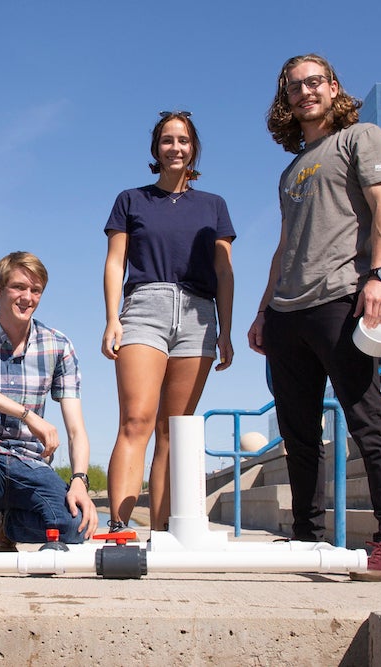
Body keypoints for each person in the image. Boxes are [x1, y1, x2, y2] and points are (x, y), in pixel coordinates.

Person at [246, 54, 381, 581]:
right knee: (297, 434)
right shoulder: (291, 168)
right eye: (293, 87)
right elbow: (284, 245)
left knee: (366, 419)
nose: (304, 92)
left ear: (334, 87)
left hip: (341, 297)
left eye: (313, 82)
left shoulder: (362, 137)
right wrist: (262, 309)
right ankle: (306, 538)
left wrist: (380, 277)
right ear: (286, 100)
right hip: (287, 313)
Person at [102, 110, 236, 532]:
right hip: (145, 308)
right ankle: (119, 528)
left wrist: (227, 331)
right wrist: (111, 319)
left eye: (182, 140)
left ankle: (162, 535)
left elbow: (225, 273)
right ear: (155, 150)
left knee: (172, 431)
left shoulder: (214, 205)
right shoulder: (131, 199)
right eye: (166, 140)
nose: (175, 147)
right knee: (136, 420)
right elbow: (115, 262)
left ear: (193, 148)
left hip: (199, 316)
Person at [0, 251, 99, 552]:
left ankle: (9, 526)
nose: (27, 297)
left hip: (28, 463)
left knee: (76, 527)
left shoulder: (59, 345)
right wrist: (27, 415)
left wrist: (79, 480)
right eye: (18, 288)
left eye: (35, 290)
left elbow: (76, 430)